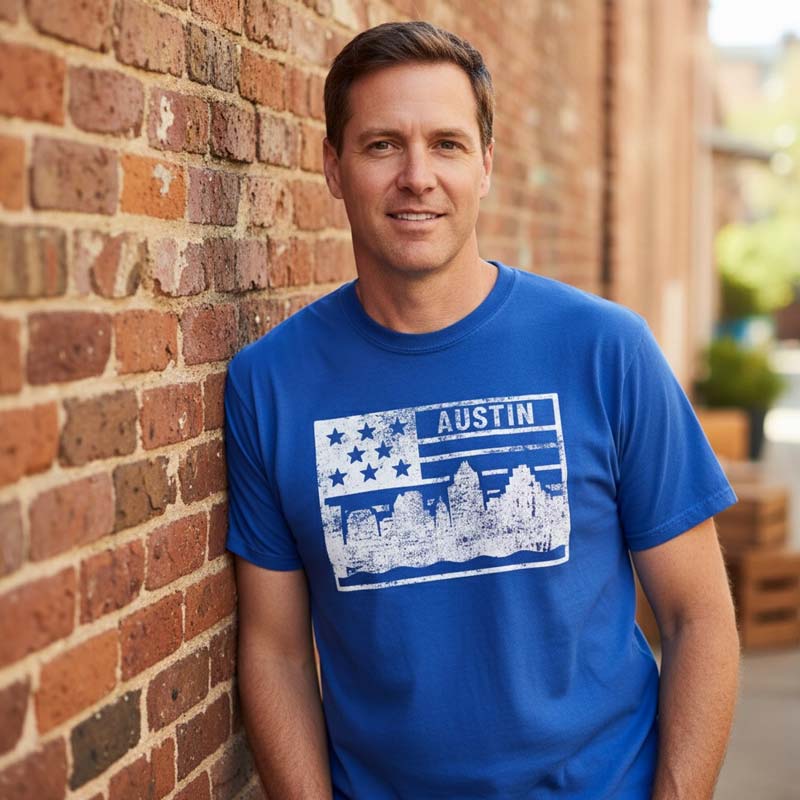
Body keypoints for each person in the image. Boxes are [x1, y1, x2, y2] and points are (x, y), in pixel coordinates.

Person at [224, 20, 740, 800]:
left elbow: (699, 616)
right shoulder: (271, 383)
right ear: (333, 167)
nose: (418, 176)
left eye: (448, 144)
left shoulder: (604, 349)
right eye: (382, 145)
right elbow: (276, 652)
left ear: (487, 165)